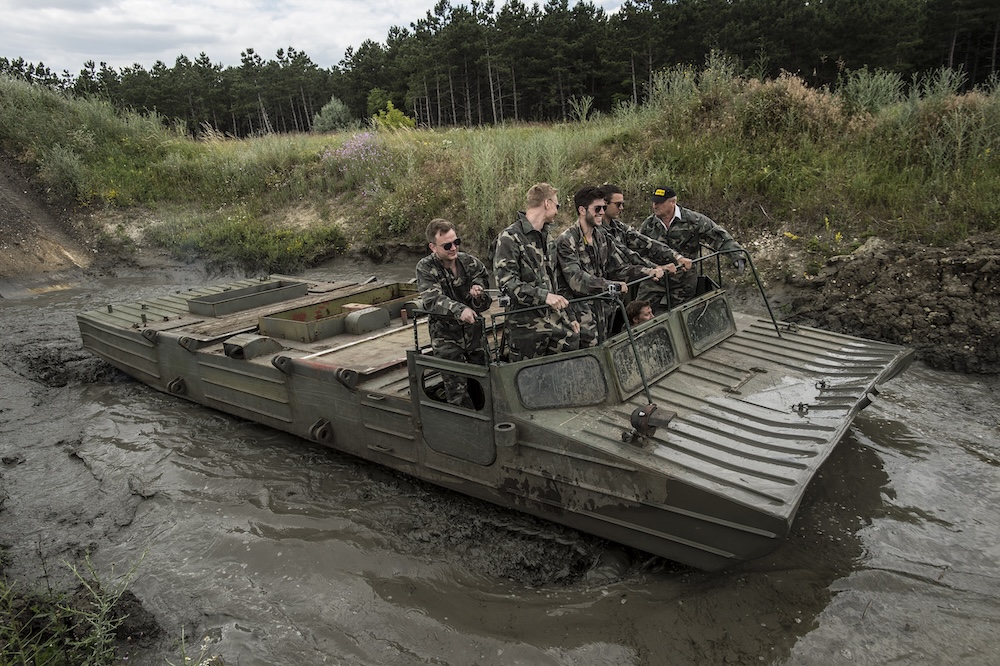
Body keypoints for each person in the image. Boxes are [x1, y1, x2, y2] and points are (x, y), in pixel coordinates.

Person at [556, 186, 662, 346]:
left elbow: (618, 268)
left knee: (606, 346)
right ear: (582, 210)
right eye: (597, 208)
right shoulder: (567, 240)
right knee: (587, 353)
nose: (601, 212)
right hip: (579, 312)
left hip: (603, 309)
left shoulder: (602, 236)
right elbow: (577, 280)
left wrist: (647, 271)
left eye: (604, 208)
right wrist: (612, 285)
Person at [493, 182, 580, 361]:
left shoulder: (548, 239)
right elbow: (506, 283)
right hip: (526, 330)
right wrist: (544, 296)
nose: (558, 210)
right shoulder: (510, 238)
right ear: (547, 203)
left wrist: (570, 315)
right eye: (557, 205)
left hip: (555, 324)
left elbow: (557, 283)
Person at [416, 218, 493, 407]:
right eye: (447, 245)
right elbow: (432, 300)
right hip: (446, 337)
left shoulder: (471, 263)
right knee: (456, 391)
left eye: (456, 242)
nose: (453, 248)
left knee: (488, 382)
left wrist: (477, 294)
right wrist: (460, 310)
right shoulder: (425, 268)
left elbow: (485, 300)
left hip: (474, 333)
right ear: (433, 247)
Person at [637, 186, 745, 311]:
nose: (655, 206)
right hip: (656, 278)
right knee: (639, 312)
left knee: (681, 315)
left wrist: (736, 255)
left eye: (660, 203)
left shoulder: (694, 220)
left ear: (673, 202)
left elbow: (718, 236)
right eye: (654, 202)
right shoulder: (648, 225)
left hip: (683, 280)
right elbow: (638, 249)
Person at [602, 183, 691, 275]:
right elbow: (627, 254)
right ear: (604, 203)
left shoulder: (619, 227)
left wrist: (677, 257)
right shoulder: (598, 231)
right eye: (618, 204)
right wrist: (654, 268)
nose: (621, 208)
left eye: (622, 204)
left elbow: (647, 243)